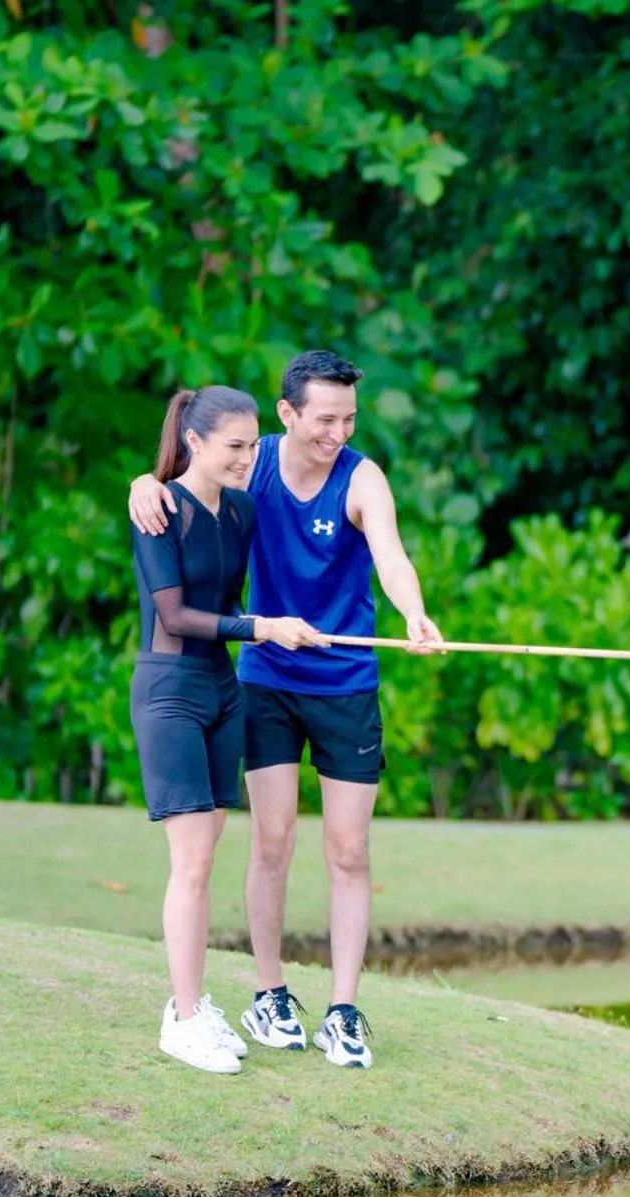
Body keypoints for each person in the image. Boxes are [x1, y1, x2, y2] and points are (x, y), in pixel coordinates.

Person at [129, 350, 442, 1071]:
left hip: (346, 683)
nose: (338, 433)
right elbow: (187, 484)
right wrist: (143, 483)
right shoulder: (252, 462)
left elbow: (391, 555)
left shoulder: (361, 478)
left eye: (349, 419)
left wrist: (414, 612)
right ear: (288, 414)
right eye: (325, 419)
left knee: (349, 851)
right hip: (266, 677)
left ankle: (343, 1010)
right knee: (271, 842)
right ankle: (268, 995)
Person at [130, 384, 328, 1075]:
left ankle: (190, 1004)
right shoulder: (158, 509)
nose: (248, 458)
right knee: (192, 864)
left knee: (205, 857)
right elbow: (176, 617)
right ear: (195, 442)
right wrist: (264, 628)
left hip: (222, 692)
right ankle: (185, 1020)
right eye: (236, 447)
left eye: (252, 446)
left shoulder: (240, 508)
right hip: (171, 693)